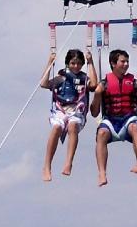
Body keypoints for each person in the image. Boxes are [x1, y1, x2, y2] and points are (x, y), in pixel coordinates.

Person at [91, 48, 137, 187]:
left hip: (128, 119)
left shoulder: (134, 83)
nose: (126, 64)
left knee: (135, 127)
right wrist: (97, 94)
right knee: (101, 133)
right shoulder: (104, 83)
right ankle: (102, 173)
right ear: (113, 63)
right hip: (110, 120)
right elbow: (94, 113)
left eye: (127, 61)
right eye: (123, 61)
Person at [40, 45, 97, 182]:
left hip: (77, 111)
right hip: (60, 110)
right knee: (56, 128)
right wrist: (50, 62)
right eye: (73, 63)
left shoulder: (84, 78)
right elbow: (43, 84)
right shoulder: (61, 77)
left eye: (78, 63)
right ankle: (47, 166)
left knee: (72, 127)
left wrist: (90, 62)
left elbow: (94, 85)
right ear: (67, 63)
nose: (76, 66)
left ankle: (68, 162)